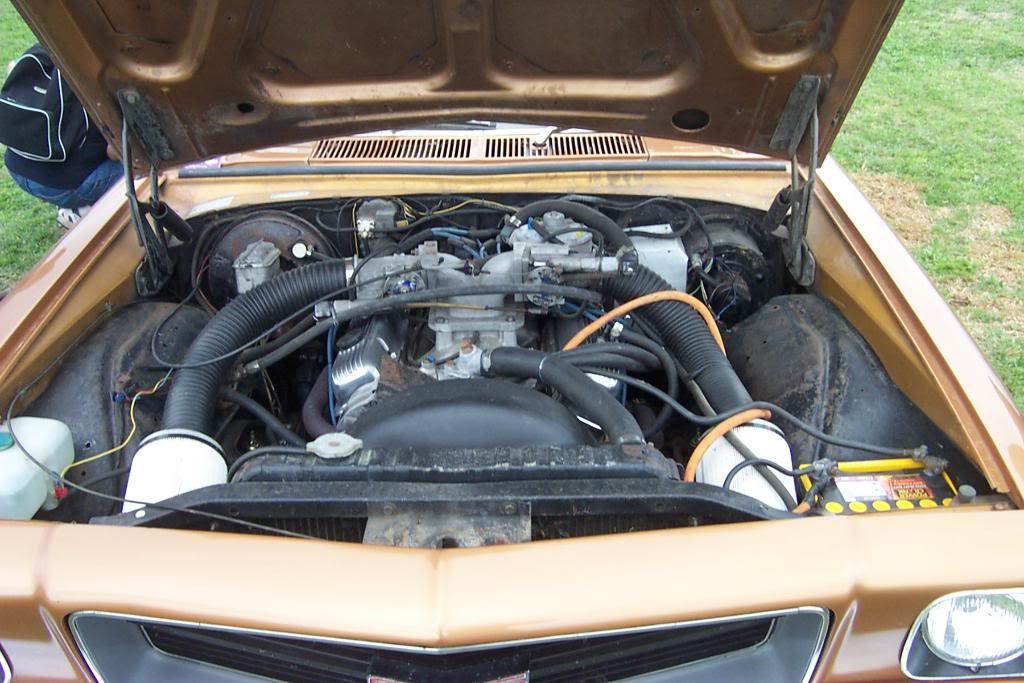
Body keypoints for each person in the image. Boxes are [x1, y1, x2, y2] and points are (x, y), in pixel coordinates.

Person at [0, 44, 122, 229]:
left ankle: (74, 205)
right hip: (62, 184)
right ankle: (82, 212)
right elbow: (117, 151)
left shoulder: (49, 45)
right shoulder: (107, 76)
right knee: (148, 171)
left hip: (17, 167)